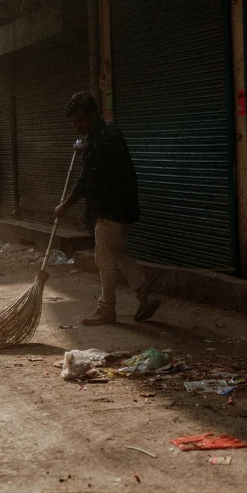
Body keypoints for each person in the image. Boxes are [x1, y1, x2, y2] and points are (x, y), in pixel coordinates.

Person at [55, 92, 161, 326]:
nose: (77, 126)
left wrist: (65, 205)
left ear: (93, 115)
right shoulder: (109, 131)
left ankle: (109, 308)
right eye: (74, 122)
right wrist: (86, 148)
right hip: (124, 204)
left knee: (105, 259)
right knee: (117, 252)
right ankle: (143, 296)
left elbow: (87, 182)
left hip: (110, 208)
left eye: (80, 120)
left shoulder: (98, 142)